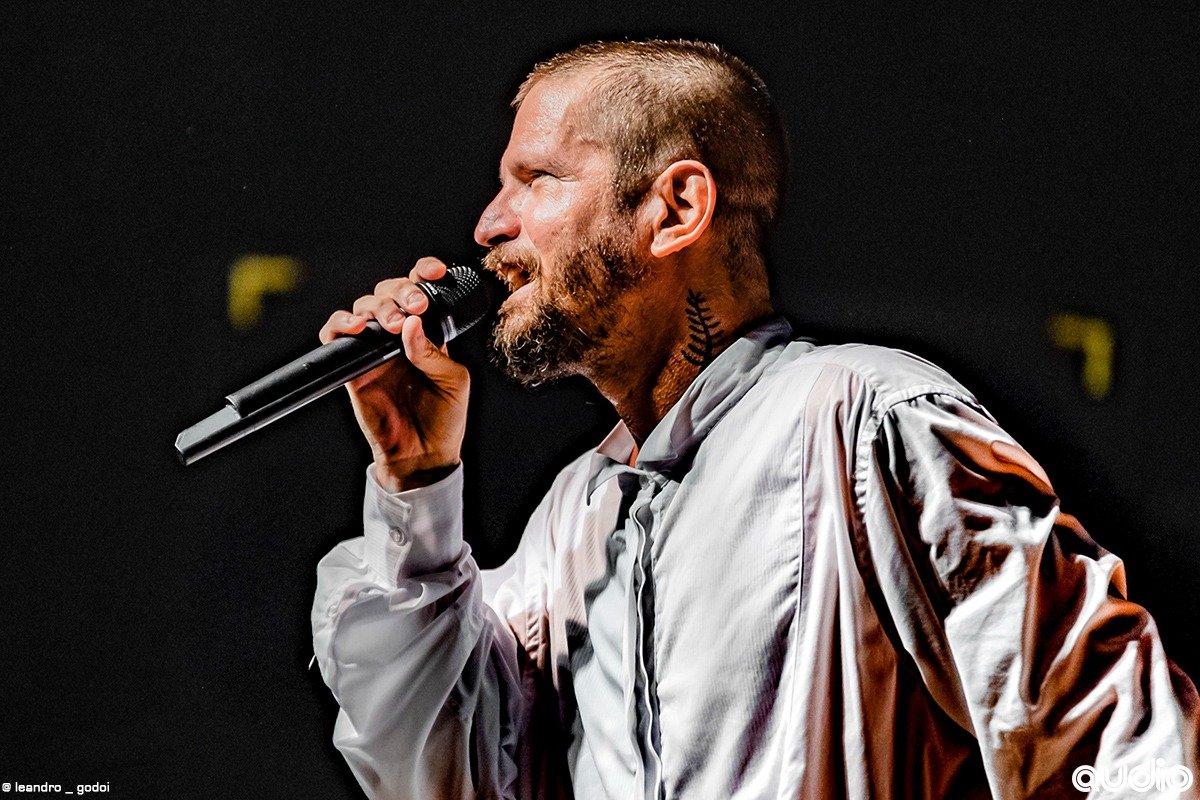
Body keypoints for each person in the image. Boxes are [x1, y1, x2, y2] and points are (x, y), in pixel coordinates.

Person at [310, 40, 1199, 799]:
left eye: (535, 179)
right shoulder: (573, 515)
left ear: (675, 209)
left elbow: (1121, 750)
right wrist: (416, 477)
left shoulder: (866, 421)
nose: (488, 224)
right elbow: (444, 774)